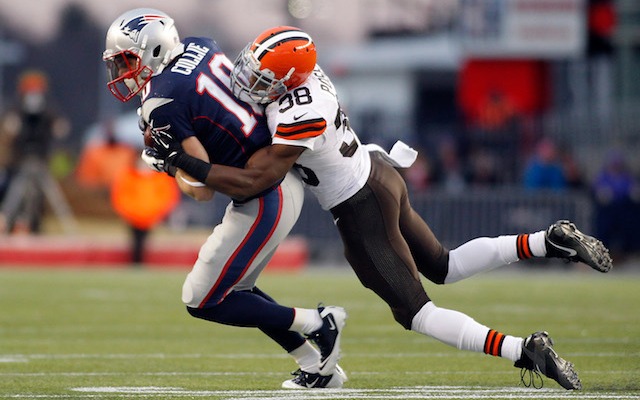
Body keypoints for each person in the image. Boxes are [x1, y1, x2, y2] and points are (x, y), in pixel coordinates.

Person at [147, 26, 614, 391]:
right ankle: (546, 240)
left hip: (360, 206)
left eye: (262, 78)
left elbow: (255, 178)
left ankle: (522, 350)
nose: (247, 81)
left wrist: (184, 161)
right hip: (378, 172)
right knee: (445, 265)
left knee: (417, 313)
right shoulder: (307, 80)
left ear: (286, 81)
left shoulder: (295, 112)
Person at [102, 9, 347, 389]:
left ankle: (317, 323)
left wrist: (167, 166)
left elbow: (201, 189)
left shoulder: (160, 100)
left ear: (151, 50)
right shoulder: (200, 43)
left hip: (263, 195)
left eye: (126, 60)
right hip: (278, 182)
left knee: (200, 298)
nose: (122, 71)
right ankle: (317, 365)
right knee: (236, 290)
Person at [0, 69, 75, 234]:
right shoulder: (16, 109)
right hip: (20, 161)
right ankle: (9, 223)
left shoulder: (48, 110)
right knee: (16, 193)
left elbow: (58, 126)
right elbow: (10, 128)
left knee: (37, 197)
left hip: (40, 158)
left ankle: (34, 226)